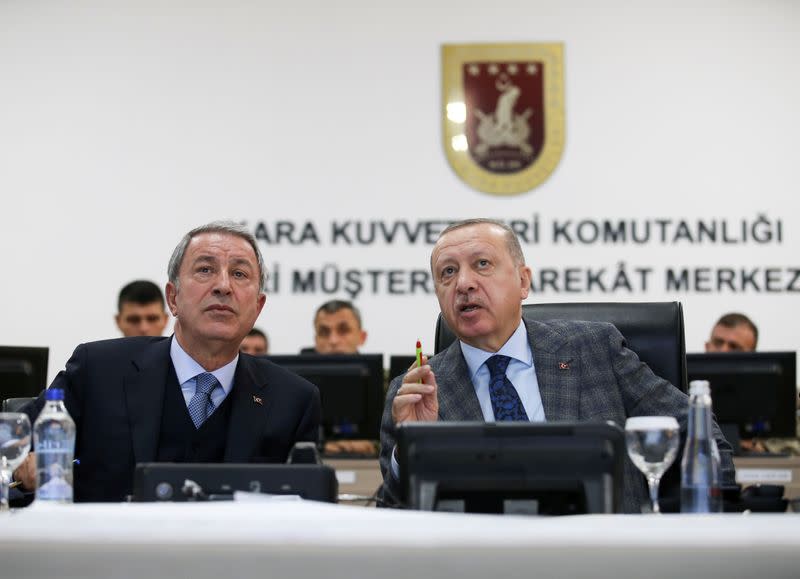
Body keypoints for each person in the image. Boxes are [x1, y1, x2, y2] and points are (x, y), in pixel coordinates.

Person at [378, 218, 735, 512]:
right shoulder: (415, 392)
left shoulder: (594, 349)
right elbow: (392, 515)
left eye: (482, 264)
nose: (464, 284)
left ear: (522, 281)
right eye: (448, 273)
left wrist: (704, 524)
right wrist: (408, 449)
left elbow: (699, 433)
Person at [14, 221, 320, 502]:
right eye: (205, 270)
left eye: (239, 274)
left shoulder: (292, 399)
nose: (224, 286)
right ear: (173, 298)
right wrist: (21, 471)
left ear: (257, 307)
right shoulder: (98, 370)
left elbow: (306, 509)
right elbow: (11, 448)